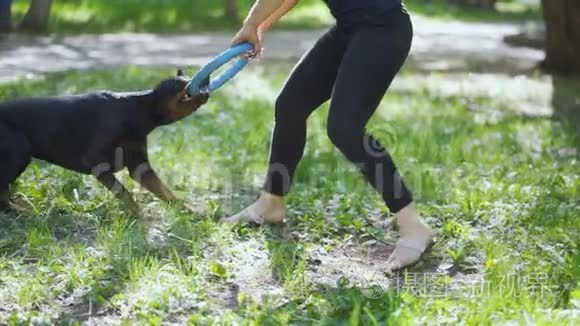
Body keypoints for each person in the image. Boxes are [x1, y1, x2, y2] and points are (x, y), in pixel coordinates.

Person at [223, 0, 433, 271]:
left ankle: (413, 226)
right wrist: (260, 26)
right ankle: (271, 202)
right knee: (290, 105)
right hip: (350, 28)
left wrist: (251, 24)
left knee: (345, 128)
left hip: (383, 30)